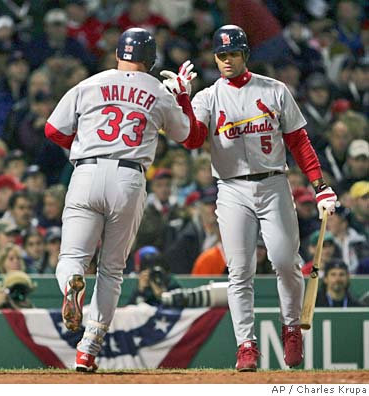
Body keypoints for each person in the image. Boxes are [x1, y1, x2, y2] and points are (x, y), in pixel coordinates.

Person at [44, 27, 201, 372]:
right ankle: (88, 349)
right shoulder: (159, 91)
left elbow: (52, 130)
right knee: (112, 270)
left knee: (71, 257)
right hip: (128, 177)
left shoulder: (89, 84)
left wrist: (84, 148)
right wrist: (183, 98)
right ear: (151, 59)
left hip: (85, 171)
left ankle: (72, 285)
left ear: (119, 54)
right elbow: (191, 138)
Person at [188, 25, 338, 371]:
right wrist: (182, 100)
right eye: (222, 55)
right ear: (215, 57)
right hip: (231, 187)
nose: (227, 60)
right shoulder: (208, 96)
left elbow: (299, 140)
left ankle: (290, 327)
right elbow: (193, 140)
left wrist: (320, 185)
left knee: (286, 261)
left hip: (273, 183)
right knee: (239, 269)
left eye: (233, 53)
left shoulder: (274, 90)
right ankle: (246, 345)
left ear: (245, 55)